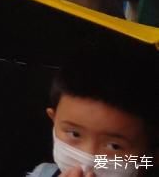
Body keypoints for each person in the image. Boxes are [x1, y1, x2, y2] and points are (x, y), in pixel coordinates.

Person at [27, 53, 157, 176]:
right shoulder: (42, 173)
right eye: (75, 134)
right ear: (54, 120)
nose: (88, 160)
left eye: (114, 146)